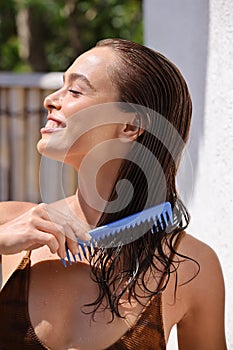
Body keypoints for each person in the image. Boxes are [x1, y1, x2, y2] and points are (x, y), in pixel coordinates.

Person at [0, 39, 227, 350]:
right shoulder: (9, 225)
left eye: (75, 91)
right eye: (61, 86)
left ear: (130, 126)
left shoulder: (190, 267)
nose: (50, 99)